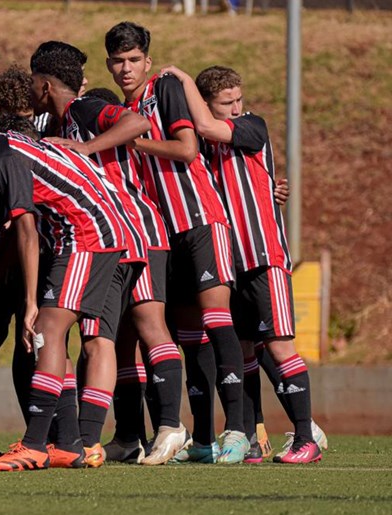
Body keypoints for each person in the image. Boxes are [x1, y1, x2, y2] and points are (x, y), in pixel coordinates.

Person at [0, 89, 142, 472]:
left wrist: (31, 301)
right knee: (58, 335)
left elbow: (28, 231)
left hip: (89, 233)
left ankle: (35, 443)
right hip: (97, 230)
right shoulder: (3, 151)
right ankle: (68, 443)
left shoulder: (8, 156)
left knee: (48, 328)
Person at [160, 63, 325, 464]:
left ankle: (307, 436)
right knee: (246, 353)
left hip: (264, 255)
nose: (236, 108)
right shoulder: (201, 150)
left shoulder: (252, 126)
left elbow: (213, 128)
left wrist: (182, 81)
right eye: (226, 102)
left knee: (281, 346)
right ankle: (250, 436)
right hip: (230, 264)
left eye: (238, 100)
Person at [33, 42, 188, 466]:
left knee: (137, 327)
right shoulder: (67, 121)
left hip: (132, 228)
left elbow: (136, 121)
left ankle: (170, 426)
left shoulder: (82, 111)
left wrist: (85, 149)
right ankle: (116, 436)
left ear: (44, 85)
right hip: (123, 231)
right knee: (112, 338)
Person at [106, 21, 248, 463]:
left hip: (202, 219)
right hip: (164, 234)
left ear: (146, 61)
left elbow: (187, 149)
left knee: (217, 320)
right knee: (187, 338)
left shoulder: (162, 88)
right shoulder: (121, 109)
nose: (126, 68)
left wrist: (139, 141)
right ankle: (201, 439)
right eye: (118, 61)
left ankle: (239, 432)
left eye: (133, 60)